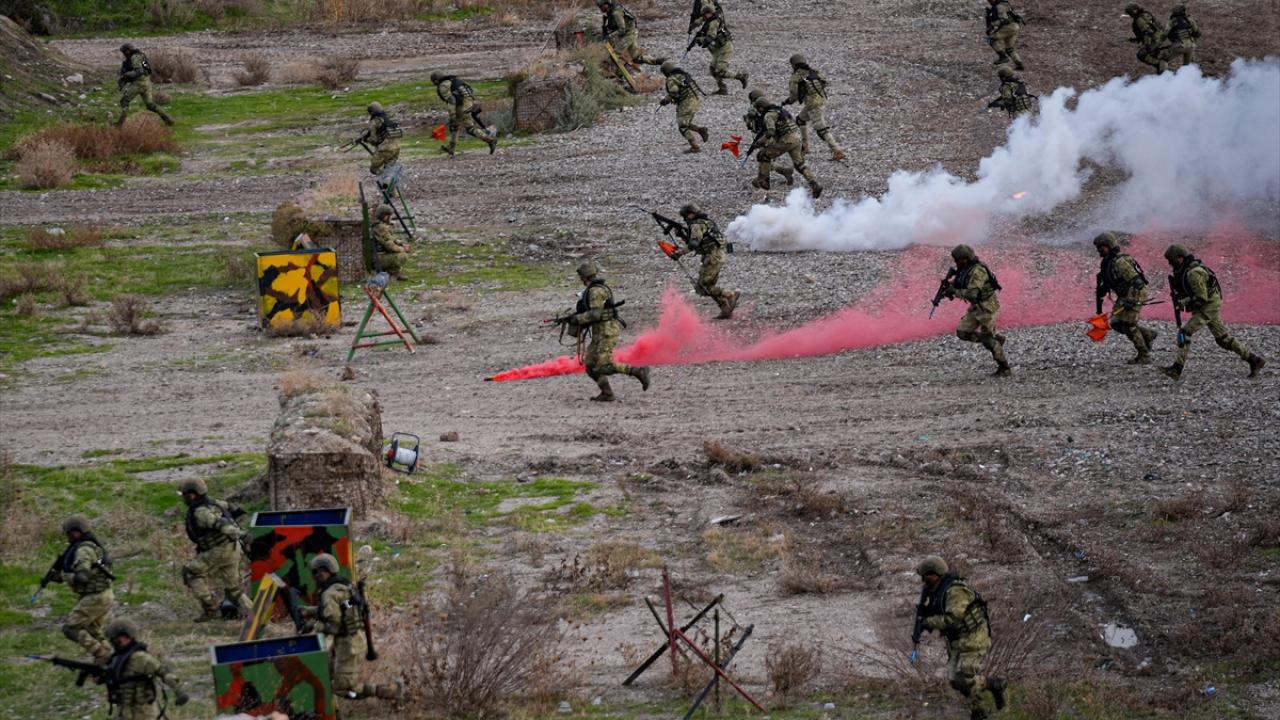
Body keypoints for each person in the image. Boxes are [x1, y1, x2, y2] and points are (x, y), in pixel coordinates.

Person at [914, 556, 1007, 720]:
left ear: (936, 574)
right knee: (954, 681)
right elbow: (941, 612)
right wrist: (925, 615)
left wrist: (927, 622)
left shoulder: (955, 591)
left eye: (926, 576)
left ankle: (979, 713)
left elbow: (953, 620)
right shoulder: (936, 590)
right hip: (957, 639)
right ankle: (993, 685)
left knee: (967, 679)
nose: (923, 580)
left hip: (974, 636)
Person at [301, 554, 401, 702]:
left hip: (348, 644)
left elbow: (333, 626)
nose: (315, 577)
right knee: (323, 674)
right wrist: (308, 610)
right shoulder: (342, 585)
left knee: (344, 688)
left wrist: (312, 626)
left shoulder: (329, 593)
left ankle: (388, 692)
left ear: (325, 571)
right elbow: (336, 610)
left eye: (317, 573)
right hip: (349, 641)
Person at [1160, 245, 1265, 380]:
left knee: (1184, 333)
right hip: (1210, 305)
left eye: (1172, 260)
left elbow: (1201, 298)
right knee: (1223, 340)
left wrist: (1183, 302)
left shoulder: (1193, 273)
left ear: (1180, 258)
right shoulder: (1186, 270)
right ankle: (1254, 360)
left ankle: (1177, 369)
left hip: (1208, 306)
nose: (1170, 264)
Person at [566, 262, 650, 401]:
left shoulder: (595, 291)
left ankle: (637, 371)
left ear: (584, 277)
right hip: (599, 331)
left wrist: (576, 319)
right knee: (590, 365)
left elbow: (595, 315)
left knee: (605, 366)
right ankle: (607, 393)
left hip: (607, 331)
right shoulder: (592, 290)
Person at [178, 478, 252, 622]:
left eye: (185, 494)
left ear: (193, 494)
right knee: (234, 589)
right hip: (233, 549)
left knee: (191, 573)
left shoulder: (201, 512)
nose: (183, 498)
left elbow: (220, 524)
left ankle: (210, 609)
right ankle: (255, 614)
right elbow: (230, 507)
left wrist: (240, 533)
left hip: (218, 551)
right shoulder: (213, 502)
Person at [43, 515, 114, 663]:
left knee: (70, 629)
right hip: (104, 594)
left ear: (76, 532)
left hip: (95, 597)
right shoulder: (94, 545)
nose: (68, 538)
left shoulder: (83, 550)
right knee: (92, 630)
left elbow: (82, 576)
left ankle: (100, 653)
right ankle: (111, 656)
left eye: (69, 534)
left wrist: (63, 576)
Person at [940, 244, 1010, 376]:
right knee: (962, 332)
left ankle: (1004, 367)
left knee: (988, 340)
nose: (955, 263)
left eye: (957, 260)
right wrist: (948, 290)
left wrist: (954, 291)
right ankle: (995, 340)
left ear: (965, 259)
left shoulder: (978, 271)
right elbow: (960, 283)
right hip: (976, 307)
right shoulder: (965, 269)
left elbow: (972, 294)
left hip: (987, 307)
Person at [102, 619, 188, 720]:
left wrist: (179, 692)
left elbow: (163, 672)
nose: (114, 642)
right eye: (113, 639)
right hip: (124, 711)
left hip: (143, 712)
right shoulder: (118, 657)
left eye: (117, 638)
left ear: (127, 636)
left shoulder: (140, 657)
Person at [1093, 232, 1157, 364]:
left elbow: (1137, 283)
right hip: (1125, 295)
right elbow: (1108, 282)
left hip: (1134, 294)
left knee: (1128, 325)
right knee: (1116, 323)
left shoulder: (1120, 261)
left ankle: (1144, 355)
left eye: (1101, 247)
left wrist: (1131, 301)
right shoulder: (1108, 262)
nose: (1099, 251)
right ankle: (1148, 334)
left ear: (1109, 246)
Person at [675, 204, 739, 319]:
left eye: (685, 217)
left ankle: (730, 294)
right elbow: (700, 241)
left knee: (702, 286)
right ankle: (725, 309)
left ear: (690, 214)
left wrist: (679, 254)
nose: (685, 219)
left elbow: (694, 243)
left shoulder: (696, 225)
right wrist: (682, 235)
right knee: (709, 285)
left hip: (712, 256)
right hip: (715, 255)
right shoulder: (706, 222)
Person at [750, 95, 822, 198]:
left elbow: (770, 132)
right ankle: (815, 185)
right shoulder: (781, 110)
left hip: (787, 140)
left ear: (761, 107)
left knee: (763, 155)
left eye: (759, 109)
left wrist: (759, 142)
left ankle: (764, 183)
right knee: (800, 165)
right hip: (797, 138)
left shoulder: (768, 115)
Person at [783, 54, 846, 161]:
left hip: (812, 105)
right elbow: (824, 82)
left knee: (821, 129)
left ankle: (837, 149)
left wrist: (788, 101)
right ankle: (805, 147)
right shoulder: (814, 71)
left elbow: (793, 94)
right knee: (800, 120)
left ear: (793, 65)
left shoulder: (796, 76)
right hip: (821, 100)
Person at [431, 72, 497, 156]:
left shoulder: (443, 86)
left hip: (464, 104)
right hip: (468, 102)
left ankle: (490, 140)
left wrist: (452, 115)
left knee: (462, 126)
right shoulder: (453, 80)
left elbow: (451, 100)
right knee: (460, 126)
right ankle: (489, 140)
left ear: (436, 81)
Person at [690, 7, 747, 95]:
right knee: (713, 69)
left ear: (710, 13)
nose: (705, 16)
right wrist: (694, 25)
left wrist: (701, 40)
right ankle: (722, 89)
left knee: (721, 70)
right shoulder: (711, 19)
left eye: (707, 14)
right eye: (705, 14)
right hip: (718, 47)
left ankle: (741, 77)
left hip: (725, 47)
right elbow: (701, 20)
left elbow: (710, 37)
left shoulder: (714, 22)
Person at [116, 43, 174, 127]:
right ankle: (168, 120)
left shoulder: (134, 58)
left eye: (124, 52)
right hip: (147, 82)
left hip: (139, 83)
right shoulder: (140, 55)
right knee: (150, 104)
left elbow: (139, 71)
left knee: (124, 101)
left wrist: (126, 75)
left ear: (127, 51)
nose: (124, 54)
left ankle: (120, 123)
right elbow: (146, 69)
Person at [743, 90, 793, 184]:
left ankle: (765, 178)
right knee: (766, 158)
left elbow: (750, 121)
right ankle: (781, 172)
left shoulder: (754, 107)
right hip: (772, 134)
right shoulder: (767, 105)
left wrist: (747, 119)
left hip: (763, 135)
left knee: (763, 158)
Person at [660, 61, 708, 153]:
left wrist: (665, 100)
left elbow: (674, 91)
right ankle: (701, 130)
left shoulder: (671, 79)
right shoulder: (682, 75)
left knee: (682, 126)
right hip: (695, 101)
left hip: (686, 103)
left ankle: (695, 147)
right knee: (685, 123)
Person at [598, 0, 661, 66]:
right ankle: (658, 61)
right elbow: (613, 26)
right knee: (636, 58)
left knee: (615, 54)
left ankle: (617, 73)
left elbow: (622, 29)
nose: (600, 9)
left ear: (606, 5)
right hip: (628, 33)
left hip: (629, 33)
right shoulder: (610, 11)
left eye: (601, 7)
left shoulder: (616, 13)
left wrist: (610, 36)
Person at [1125, 3, 1170, 74]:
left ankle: (1160, 64)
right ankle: (1162, 70)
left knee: (1141, 54)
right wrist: (1136, 39)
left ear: (1134, 11)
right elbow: (1156, 26)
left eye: (1130, 13)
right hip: (1161, 37)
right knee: (1153, 54)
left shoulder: (1139, 19)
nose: (1130, 15)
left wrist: (1147, 45)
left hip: (1155, 40)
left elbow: (1148, 32)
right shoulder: (1146, 14)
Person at [362, 101, 402, 178]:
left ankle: (385, 180)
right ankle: (391, 185)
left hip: (385, 149)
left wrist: (366, 139)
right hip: (397, 149)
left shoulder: (374, 122)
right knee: (389, 168)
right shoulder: (387, 119)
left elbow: (374, 140)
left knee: (374, 168)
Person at [371, 205, 410, 279]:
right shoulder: (381, 228)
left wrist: (400, 242)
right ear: (385, 216)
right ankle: (392, 273)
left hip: (376, 257)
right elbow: (390, 246)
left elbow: (390, 238)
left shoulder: (376, 225)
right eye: (390, 216)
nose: (391, 218)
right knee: (403, 256)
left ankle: (394, 273)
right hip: (377, 260)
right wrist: (403, 249)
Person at [984, 0, 1025, 70]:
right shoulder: (1003, 4)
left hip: (1009, 27)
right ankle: (1019, 65)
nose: (989, 1)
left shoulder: (999, 6)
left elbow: (1003, 19)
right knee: (1009, 48)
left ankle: (1003, 57)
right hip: (1013, 27)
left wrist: (992, 25)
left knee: (991, 39)